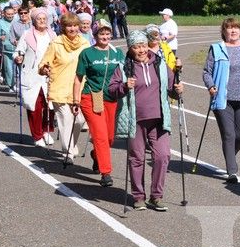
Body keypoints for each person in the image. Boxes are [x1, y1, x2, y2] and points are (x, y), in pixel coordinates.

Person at [109, 30, 183, 211]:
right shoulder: (123, 66)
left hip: (159, 119)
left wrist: (178, 89)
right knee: (137, 158)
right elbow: (111, 90)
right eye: (136, 47)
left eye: (143, 45)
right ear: (130, 48)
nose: (141, 50)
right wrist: (124, 86)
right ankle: (138, 196)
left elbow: (172, 89)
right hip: (136, 119)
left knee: (163, 156)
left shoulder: (160, 64)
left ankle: (156, 196)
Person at [202, 17, 240, 183]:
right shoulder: (217, 48)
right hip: (222, 99)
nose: (233, 31)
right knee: (229, 134)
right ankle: (232, 171)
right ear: (224, 31)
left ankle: (229, 155)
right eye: (229, 28)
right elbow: (206, 71)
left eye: (236, 28)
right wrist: (210, 85)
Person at [72, 21, 124, 187]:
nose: (105, 37)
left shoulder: (118, 53)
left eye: (108, 33)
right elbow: (78, 78)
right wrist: (75, 100)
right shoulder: (87, 53)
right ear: (95, 35)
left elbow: (126, 72)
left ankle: (96, 154)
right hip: (91, 97)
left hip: (112, 97)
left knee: (109, 138)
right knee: (100, 135)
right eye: (101, 34)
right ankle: (106, 173)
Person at [39, 14, 89, 160]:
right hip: (59, 87)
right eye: (69, 26)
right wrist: (44, 68)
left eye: (74, 25)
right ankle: (67, 152)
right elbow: (43, 63)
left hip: (79, 88)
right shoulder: (56, 43)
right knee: (66, 120)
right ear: (63, 27)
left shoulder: (85, 44)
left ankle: (71, 144)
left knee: (79, 121)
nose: (72, 28)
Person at [15, 9, 56, 147]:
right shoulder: (27, 35)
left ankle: (46, 131)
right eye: (39, 19)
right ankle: (37, 135)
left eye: (44, 18)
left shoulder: (53, 35)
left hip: (48, 75)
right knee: (35, 106)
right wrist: (18, 57)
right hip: (32, 75)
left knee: (49, 105)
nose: (42, 21)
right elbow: (17, 52)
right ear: (34, 20)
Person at [0, 4, 18, 92]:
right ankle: (10, 85)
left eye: (12, 14)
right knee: (8, 69)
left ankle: (17, 84)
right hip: (6, 49)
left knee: (18, 69)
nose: (10, 16)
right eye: (8, 14)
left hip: (17, 49)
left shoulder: (17, 21)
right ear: (4, 13)